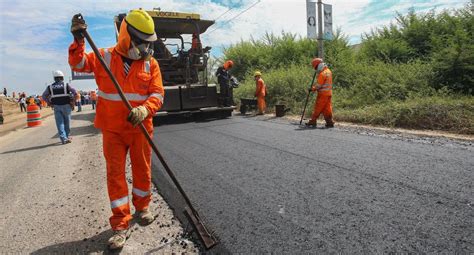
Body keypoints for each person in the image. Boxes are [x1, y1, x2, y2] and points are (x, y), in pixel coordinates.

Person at [69, 10, 165, 250]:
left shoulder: (150, 63)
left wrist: (145, 109)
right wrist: (79, 40)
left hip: (140, 127)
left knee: (142, 169)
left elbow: (157, 94)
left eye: (147, 42)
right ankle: (120, 224)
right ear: (126, 35)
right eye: (141, 41)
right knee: (115, 174)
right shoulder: (104, 57)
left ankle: (142, 207)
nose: (144, 47)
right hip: (112, 129)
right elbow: (78, 63)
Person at [42, 70, 77, 144]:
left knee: (60, 123)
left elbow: (44, 96)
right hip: (67, 106)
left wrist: (49, 103)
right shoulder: (66, 85)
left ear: (54, 78)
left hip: (56, 106)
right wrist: (73, 102)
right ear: (62, 77)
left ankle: (63, 139)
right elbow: (75, 93)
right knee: (67, 122)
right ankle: (67, 136)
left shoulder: (50, 87)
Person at [306, 58, 334, 128]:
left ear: (318, 65)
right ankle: (329, 122)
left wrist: (312, 89)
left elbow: (318, 86)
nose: (315, 69)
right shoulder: (328, 71)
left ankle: (313, 121)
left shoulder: (322, 74)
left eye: (315, 67)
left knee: (318, 108)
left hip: (323, 94)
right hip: (329, 94)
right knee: (327, 109)